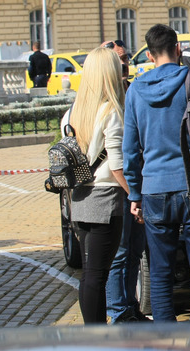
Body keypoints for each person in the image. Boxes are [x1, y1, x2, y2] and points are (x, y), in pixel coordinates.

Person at [123, 24, 190, 322]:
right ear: (177, 49)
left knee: (160, 271)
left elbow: (130, 149)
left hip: (154, 189)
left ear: (150, 53)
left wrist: (134, 192)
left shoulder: (135, 90)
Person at [64, 47, 132, 324]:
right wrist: (136, 195)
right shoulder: (110, 111)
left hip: (79, 198)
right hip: (105, 198)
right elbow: (117, 164)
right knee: (98, 274)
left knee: (90, 274)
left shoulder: (73, 112)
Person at [100, 39, 147, 323]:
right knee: (119, 254)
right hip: (118, 191)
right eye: (118, 60)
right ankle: (118, 313)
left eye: (126, 57)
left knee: (135, 251)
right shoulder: (103, 102)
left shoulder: (132, 92)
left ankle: (131, 308)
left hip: (137, 184)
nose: (124, 63)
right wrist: (134, 195)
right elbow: (115, 161)